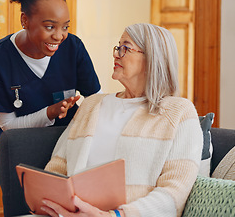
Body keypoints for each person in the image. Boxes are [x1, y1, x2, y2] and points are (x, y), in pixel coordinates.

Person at [42, 23, 203, 217]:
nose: (116, 54)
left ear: (152, 58)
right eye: (118, 47)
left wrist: (115, 216)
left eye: (125, 48)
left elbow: (174, 193)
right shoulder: (91, 105)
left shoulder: (179, 112)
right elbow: (58, 164)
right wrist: (54, 204)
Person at [0, 0, 101, 141]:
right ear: (25, 20)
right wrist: (50, 112)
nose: (59, 36)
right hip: (21, 146)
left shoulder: (73, 48)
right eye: (50, 27)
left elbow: (97, 100)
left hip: (67, 141)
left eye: (65, 27)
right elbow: (8, 126)